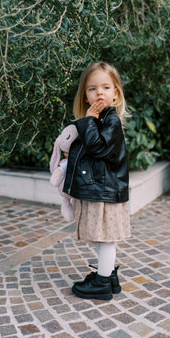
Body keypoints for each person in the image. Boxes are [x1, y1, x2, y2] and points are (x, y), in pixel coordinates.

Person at [63, 61, 131, 301]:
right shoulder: (100, 121)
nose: (99, 92)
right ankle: (109, 276)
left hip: (106, 192)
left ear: (116, 94)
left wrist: (87, 121)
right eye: (92, 89)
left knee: (105, 238)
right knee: (103, 237)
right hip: (102, 189)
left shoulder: (108, 121)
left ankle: (102, 284)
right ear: (85, 95)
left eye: (105, 87)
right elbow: (93, 154)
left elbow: (97, 147)